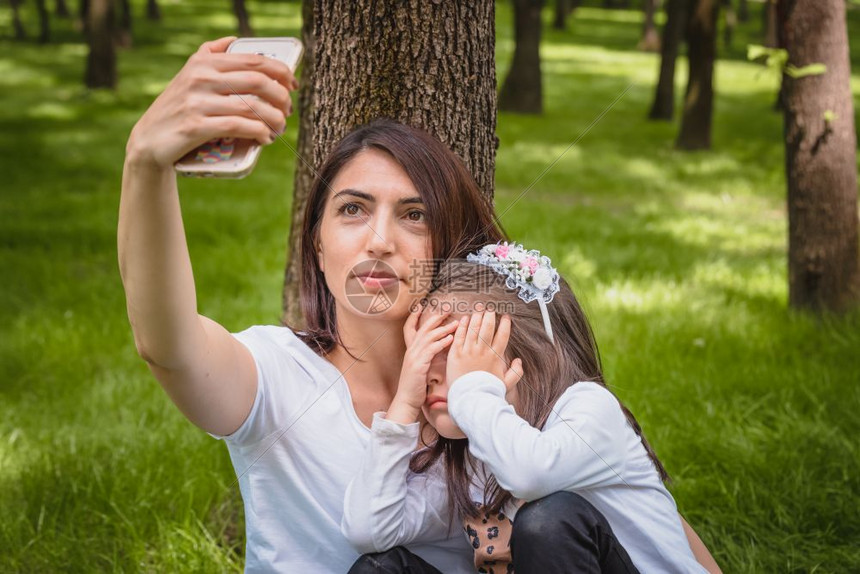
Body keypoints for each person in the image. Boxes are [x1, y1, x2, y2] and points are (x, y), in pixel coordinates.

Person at [118, 35, 508, 572]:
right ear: (319, 247)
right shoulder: (279, 375)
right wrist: (145, 162)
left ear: (450, 248)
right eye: (353, 209)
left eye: (414, 215)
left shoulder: (489, 376)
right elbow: (169, 346)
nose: (379, 241)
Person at [342, 242, 722, 573]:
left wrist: (475, 388)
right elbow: (368, 531)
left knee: (549, 520)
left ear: (526, 348)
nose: (430, 373)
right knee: (380, 567)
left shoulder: (588, 408)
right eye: (422, 353)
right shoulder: (469, 457)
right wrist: (404, 403)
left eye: (456, 350)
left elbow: (529, 475)